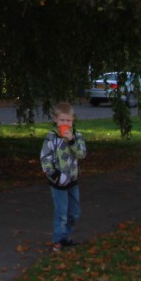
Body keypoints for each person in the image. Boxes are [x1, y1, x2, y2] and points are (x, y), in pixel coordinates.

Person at [40, 101, 87, 248]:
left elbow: (82, 154)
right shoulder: (51, 137)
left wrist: (71, 141)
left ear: (73, 120)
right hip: (58, 182)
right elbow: (45, 158)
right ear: (56, 119)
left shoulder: (76, 136)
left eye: (68, 120)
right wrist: (54, 175)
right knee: (61, 213)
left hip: (72, 180)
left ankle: (66, 237)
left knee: (74, 212)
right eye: (62, 120)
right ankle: (58, 241)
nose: (65, 123)